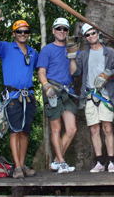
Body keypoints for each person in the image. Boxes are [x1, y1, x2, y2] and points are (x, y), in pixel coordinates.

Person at [0, 9, 38, 179]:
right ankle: (17, 167)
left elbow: (43, 69)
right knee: (15, 132)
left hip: (28, 97)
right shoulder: (6, 48)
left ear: (29, 34)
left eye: (26, 31)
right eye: (19, 31)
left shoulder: (33, 52)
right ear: (14, 34)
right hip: (13, 98)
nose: (23, 34)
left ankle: (21, 166)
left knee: (24, 133)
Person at [70, 23, 114, 173]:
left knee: (107, 128)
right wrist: (71, 56)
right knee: (94, 129)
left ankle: (111, 162)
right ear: (85, 38)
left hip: (106, 94)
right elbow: (75, 72)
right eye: (87, 35)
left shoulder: (110, 51)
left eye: (93, 33)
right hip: (90, 95)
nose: (91, 36)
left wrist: (109, 73)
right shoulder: (83, 54)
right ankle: (100, 162)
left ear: (98, 34)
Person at [37, 17, 77, 174]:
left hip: (67, 91)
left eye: (65, 29)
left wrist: (73, 54)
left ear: (67, 32)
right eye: (59, 29)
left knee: (72, 129)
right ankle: (62, 162)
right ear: (53, 31)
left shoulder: (72, 49)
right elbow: (41, 72)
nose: (62, 31)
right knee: (56, 128)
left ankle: (56, 161)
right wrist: (46, 86)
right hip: (52, 89)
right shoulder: (47, 50)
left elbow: (75, 71)